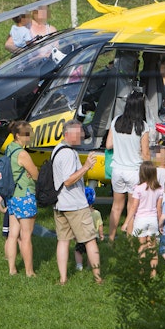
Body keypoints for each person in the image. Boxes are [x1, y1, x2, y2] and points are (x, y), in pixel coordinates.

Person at [53, 120, 102, 285]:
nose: (82, 135)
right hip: (74, 205)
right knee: (90, 240)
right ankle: (97, 278)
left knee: (63, 240)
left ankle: (63, 279)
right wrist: (86, 166)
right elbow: (68, 181)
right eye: (79, 132)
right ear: (69, 134)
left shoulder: (58, 149)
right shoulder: (67, 153)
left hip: (60, 204)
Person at [105, 91, 150, 243]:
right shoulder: (142, 126)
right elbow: (145, 154)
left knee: (116, 206)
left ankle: (110, 239)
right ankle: (130, 240)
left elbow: (108, 145)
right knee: (132, 208)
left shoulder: (116, 121)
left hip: (117, 170)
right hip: (134, 171)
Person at [4, 120, 39, 276]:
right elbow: (36, 174)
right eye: (26, 134)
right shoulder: (22, 153)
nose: (29, 137)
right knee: (26, 236)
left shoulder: (9, 149)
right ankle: (29, 271)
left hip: (12, 195)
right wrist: (33, 172)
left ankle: (12, 269)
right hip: (24, 195)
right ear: (17, 135)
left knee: (12, 234)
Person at [125, 160, 163, 276]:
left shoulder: (138, 188)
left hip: (140, 220)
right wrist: (161, 223)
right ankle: (153, 272)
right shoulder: (159, 189)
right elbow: (159, 209)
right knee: (153, 248)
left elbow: (133, 207)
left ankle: (141, 271)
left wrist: (126, 223)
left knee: (141, 247)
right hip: (152, 220)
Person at [74, 187, 104, 272]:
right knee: (90, 251)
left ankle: (79, 265)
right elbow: (100, 225)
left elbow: (76, 224)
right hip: (93, 236)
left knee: (78, 251)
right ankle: (89, 265)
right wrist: (101, 234)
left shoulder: (78, 213)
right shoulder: (97, 213)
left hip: (80, 236)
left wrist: (74, 234)